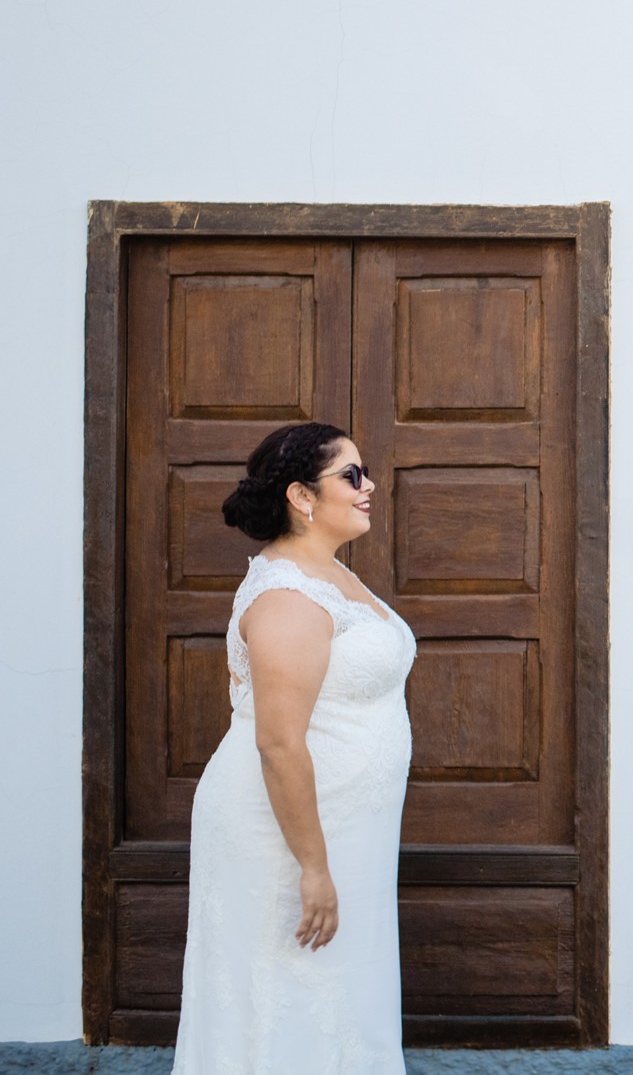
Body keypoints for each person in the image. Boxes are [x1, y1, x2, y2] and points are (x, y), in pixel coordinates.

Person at [173, 423, 416, 1074]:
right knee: (290, 991)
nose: (370, 487)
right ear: (302, 497)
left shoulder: (328, 574)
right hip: (284, 833)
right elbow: (279, 742)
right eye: (353, 476)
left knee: (335, 989)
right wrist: (312, 866)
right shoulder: (287, 595)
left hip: (344, 825)